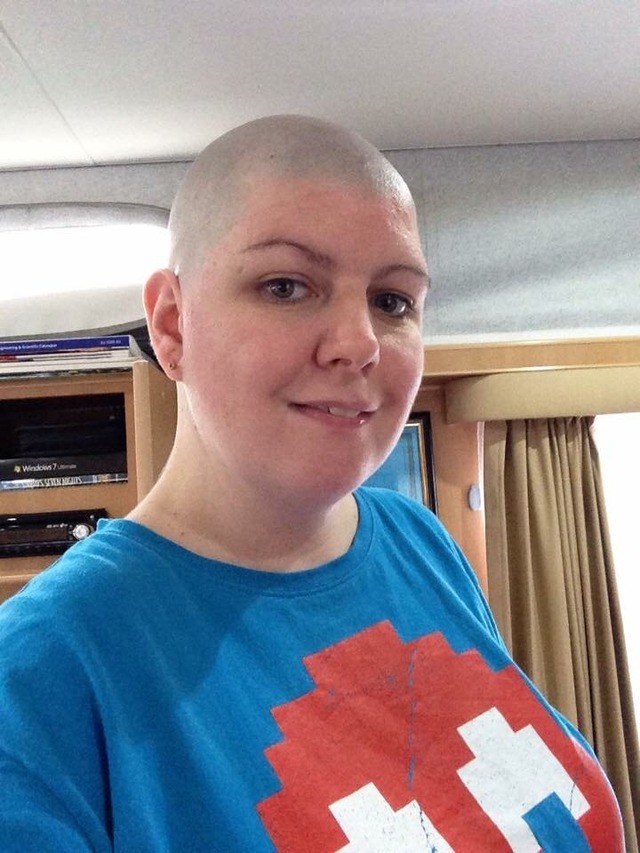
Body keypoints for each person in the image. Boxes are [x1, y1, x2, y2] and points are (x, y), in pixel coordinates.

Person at [0, 115, 624, 852]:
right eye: (286, 286)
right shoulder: (41, 677)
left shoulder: (418, 540)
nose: (359, 343)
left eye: (392, 300)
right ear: (172, 326)